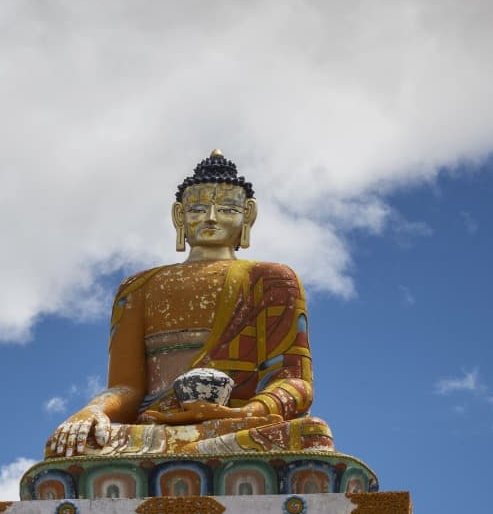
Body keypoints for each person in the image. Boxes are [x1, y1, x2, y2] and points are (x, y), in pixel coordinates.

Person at [47, 151, 332, 458]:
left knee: (309, 433)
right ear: (179, 216)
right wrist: (92, 412)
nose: (210, 217)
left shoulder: (272, 279)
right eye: (197, 209)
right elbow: (126, 387)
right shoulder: (139, 287)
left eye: (225, 208)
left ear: (248, 214)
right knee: (71, 446)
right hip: (156, 427)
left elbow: (294, 379)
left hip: (241, 425)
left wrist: (247, 411)